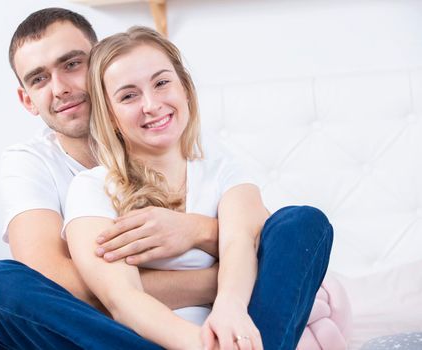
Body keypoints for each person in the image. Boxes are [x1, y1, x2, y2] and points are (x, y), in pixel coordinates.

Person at [0, 7, 333, 350]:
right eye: (39, 78)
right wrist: (217, 284)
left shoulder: (203, 153)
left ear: (97, 65)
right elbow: (67, 286)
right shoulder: (71, 178)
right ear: (27, 98)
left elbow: (254, 235)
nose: (60, 87)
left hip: (225, 320)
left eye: (72, 64)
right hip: (110, 330)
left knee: (299, 223)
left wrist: (195, 233)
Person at [63, 26, 332, 350]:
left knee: (302, 222)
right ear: (110, 115)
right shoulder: (92, 188)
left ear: (185, 88)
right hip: (155, 342)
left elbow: (240, 242)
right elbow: (123, 299)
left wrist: (229, 309)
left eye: (162, 83)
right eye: (129, 95)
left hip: (246, 332)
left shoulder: (223, 168)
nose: (151, 104)